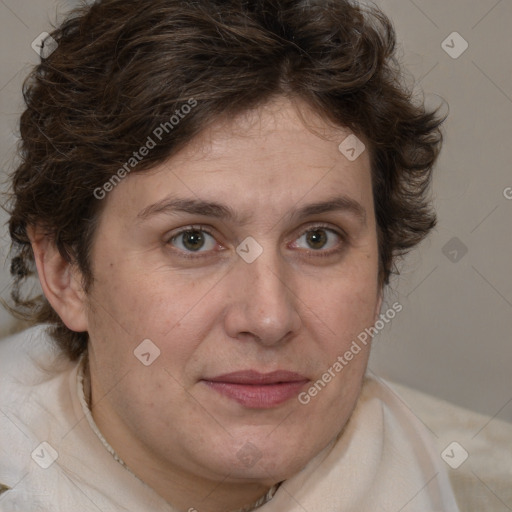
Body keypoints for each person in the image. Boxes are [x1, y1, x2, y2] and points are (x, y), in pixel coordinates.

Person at [0, 0, 460, 510]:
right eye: (193, 239)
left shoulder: (408, 466)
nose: (269, 317)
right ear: (66, 273)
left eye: (317, 238)